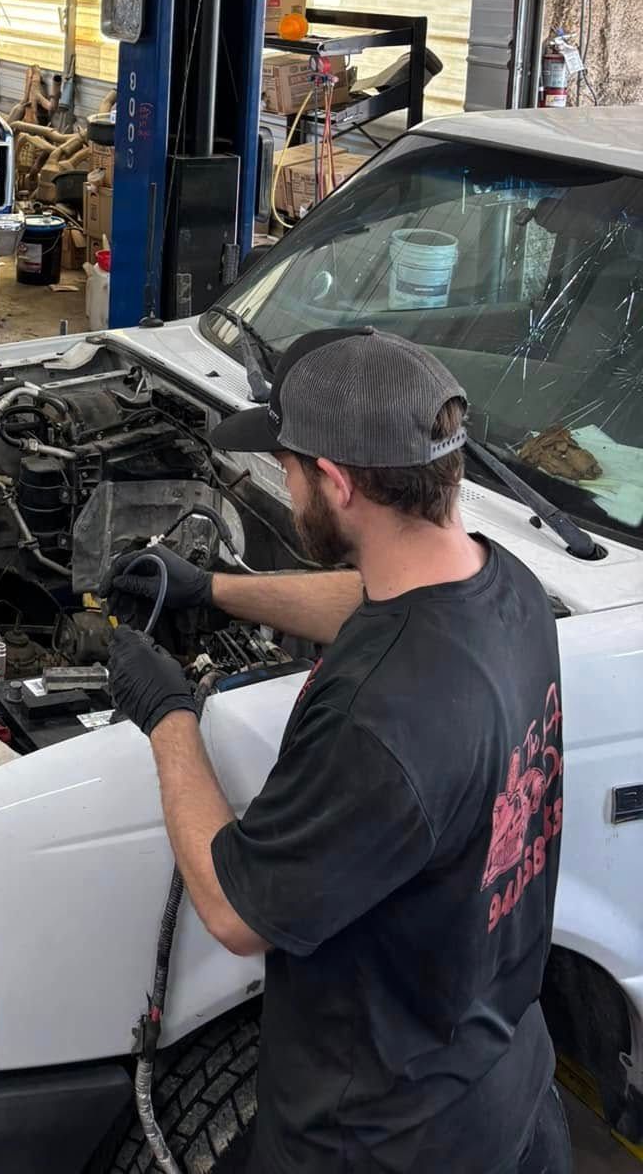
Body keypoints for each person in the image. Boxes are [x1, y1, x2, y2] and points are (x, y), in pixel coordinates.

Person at [109, 326, 569, 1174]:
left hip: (381, 1141)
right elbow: (377, 602)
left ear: (338, 481)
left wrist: (167, 716)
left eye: (286, 467)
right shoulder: (508, 587)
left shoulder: (378, 723)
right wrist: (215, 590)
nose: (283, 487)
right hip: (502, 1085)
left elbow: (235, 912)